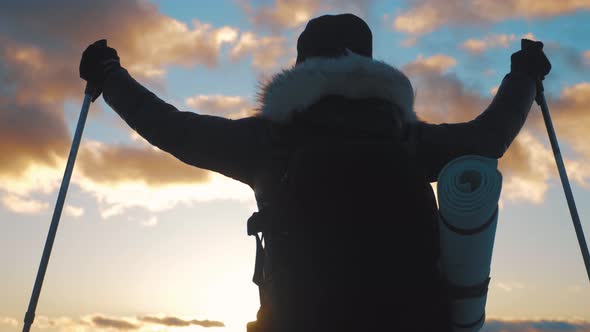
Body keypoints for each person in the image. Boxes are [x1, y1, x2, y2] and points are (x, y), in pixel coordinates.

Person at [80, 13, 550, 332]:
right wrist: (525, 75)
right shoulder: (408, 139)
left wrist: (110, 75)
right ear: (369, 64)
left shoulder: (269, 141)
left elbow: (174, 130)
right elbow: (487, 139)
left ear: (300, 66)